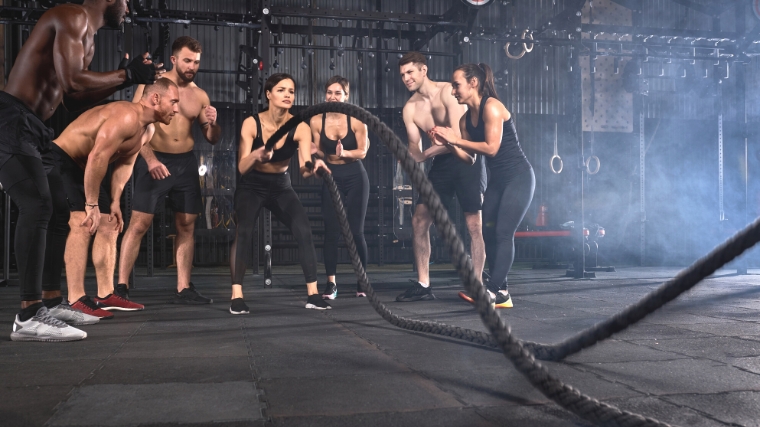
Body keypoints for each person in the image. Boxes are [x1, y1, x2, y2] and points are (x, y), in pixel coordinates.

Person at [0, 0, 163, 341]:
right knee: (37, 205)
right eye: (126, 1)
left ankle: (50, 301)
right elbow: (74, 82)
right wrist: (128, 75)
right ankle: (27, 315)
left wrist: (124, 80)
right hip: (11, 118)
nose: (128, 8)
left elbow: (72, 100)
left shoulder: (87, 39)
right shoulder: (72, 16)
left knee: (59, 211)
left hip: (35, 126)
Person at [54, 78, 179, 318]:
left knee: (110, 223)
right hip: (61, 160)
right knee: (82, 221)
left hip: (85, 169)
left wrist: (114, 202)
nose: (176, 109)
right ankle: (75, 298)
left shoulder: (147, 129)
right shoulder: (126, 115)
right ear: (155, 98)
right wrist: (91, 204)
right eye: (173, 102)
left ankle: (105, 295)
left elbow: (125, 164)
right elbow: (97, 156)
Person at [115, 36, 221, 307]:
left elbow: (211, 138)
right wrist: (149, 159)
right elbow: (136, 125)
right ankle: (121, 287)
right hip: (153, 158)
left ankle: (184, 287)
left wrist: (213, 123)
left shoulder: (199, 95)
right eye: (187, 60)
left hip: (185, 163)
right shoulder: (152, 85)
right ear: (174, 59)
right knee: (139, 224)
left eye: (196, 62)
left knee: (186, 225)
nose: (192, 67)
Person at [430, 63, 535, 308]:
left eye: (456, 85)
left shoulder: (493, 107)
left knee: (502, 233)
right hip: (498, 181)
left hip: (519, 177)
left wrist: (456, 138)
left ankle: (491, 291)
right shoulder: (466, 120)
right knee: (488, 234)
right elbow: (470, 158)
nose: (453, 91)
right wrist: (450, 143)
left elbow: (491, 148)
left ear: (473, 83)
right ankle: (504, 294)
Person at [229, 73, 331, 315]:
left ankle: (313, 294)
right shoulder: (251, 124)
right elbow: (242, 168)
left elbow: (305, 166)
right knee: (243, 231)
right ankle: (236, 296)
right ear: (268, 94)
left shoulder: (300, 127)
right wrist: (256, 155)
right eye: (282, 90)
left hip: (281, 186)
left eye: (291, 91)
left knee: (304, 230)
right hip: (251, 184)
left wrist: (314, 168)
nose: (288, 95)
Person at [395, 52, 486, 303]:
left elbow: (456, 137)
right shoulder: (410, 108)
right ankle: (423, 284)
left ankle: (477, 283)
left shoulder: (449, 92)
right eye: (402, 75)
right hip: (442, 164)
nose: (406, 78)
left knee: (474, 225)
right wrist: (412, 155)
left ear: (424, 70)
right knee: (419, 221)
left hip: (467, 157)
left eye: (410, 72)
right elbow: (414, 145)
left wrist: (424, 154)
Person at [309, 76, 370, 299]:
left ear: (346, 96)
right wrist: (318, 154)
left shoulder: (356, 119)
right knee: (331, 232)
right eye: (329, 93)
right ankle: (331, 284)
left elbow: (363, 151)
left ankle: (362, 281)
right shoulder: (317, 120)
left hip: (355, 175)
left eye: (337, 93)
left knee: (356, 232)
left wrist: (343, 153)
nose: (332, 97)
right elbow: (320, 152)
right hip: (331, 176)